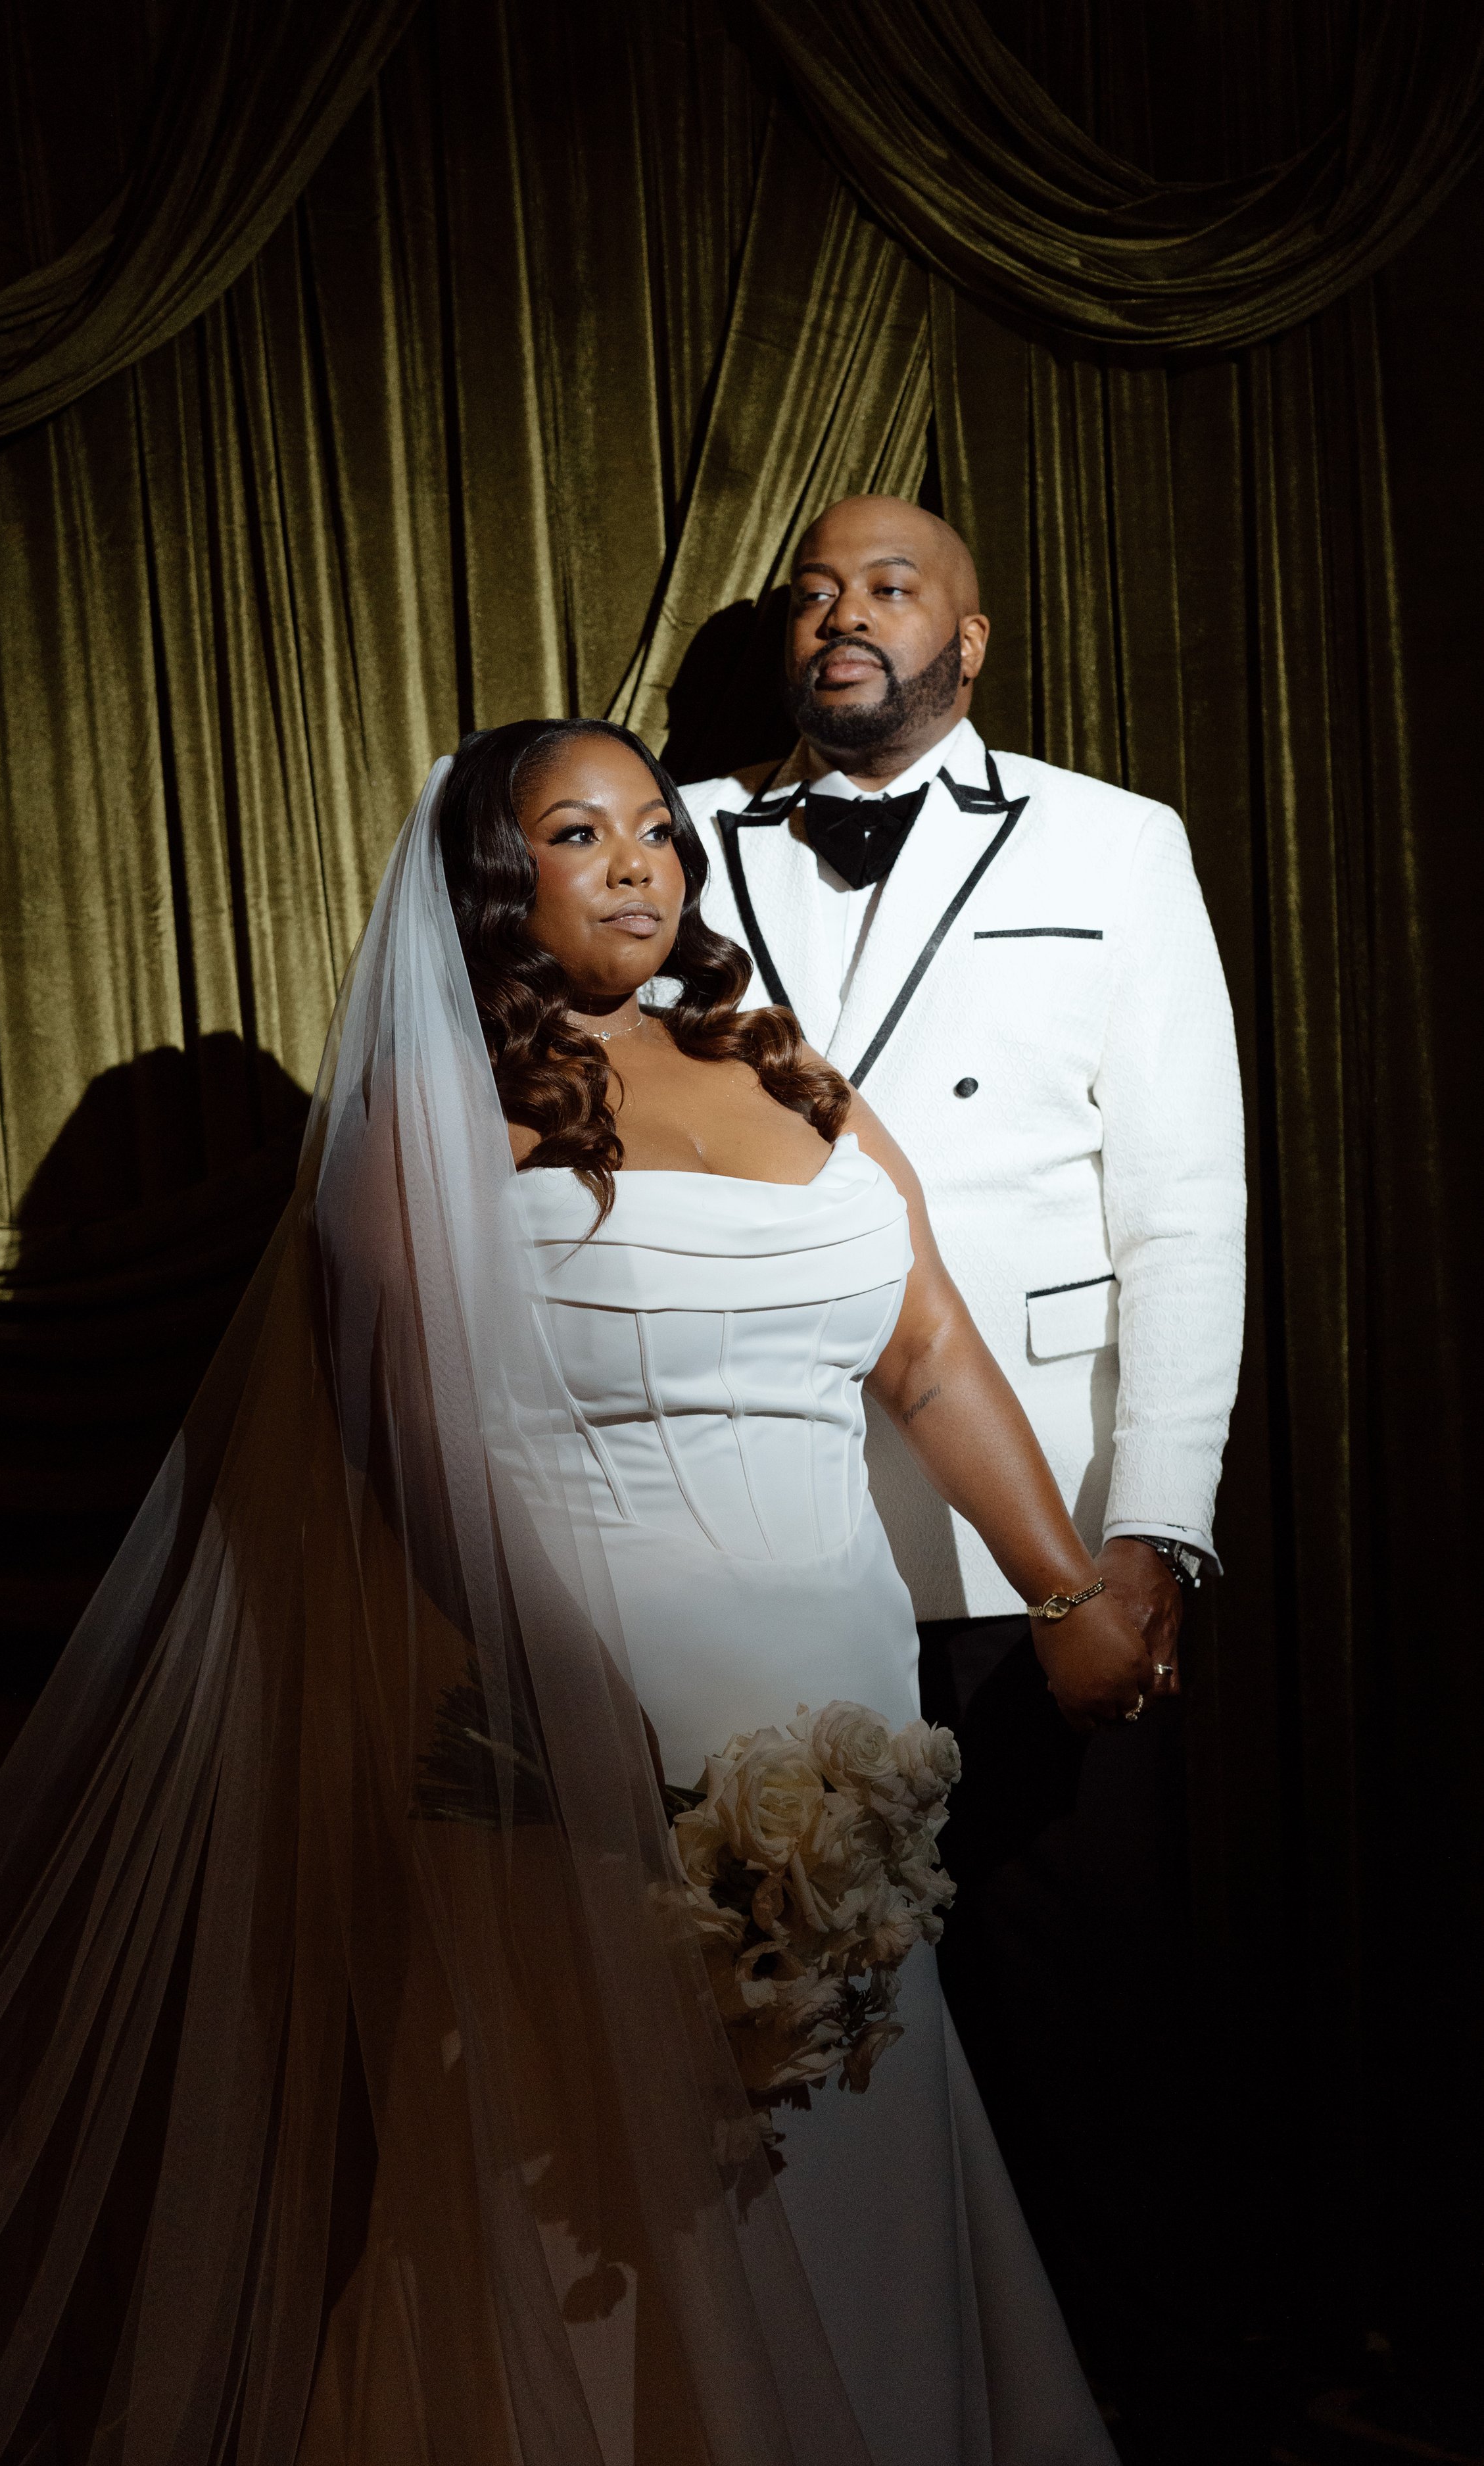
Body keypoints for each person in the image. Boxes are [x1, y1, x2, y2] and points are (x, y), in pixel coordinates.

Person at [0, 719, 1130, 2466]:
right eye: (577, 832)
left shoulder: (782, 1072)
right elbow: (408, 1444)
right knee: (601, 2197)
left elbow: (922, 1343)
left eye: (655, 827)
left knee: (852, 2128)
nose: (637, 859)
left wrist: (1066, 1589)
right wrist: (591, 1717)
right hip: (571, 1740)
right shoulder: (427, 1127)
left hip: (847, 1720)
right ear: (491, 885)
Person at [677, 496, 1246, 2394]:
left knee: (1077, 2045)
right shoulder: (668, 843)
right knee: (807, 2062)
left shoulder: (1115, 841)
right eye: (816, 593)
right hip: (760, 1535)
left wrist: (1146, 1532)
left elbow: (1185, 1210)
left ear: (970, 641)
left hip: (1036, 1550)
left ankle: (1138, 2422)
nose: (844, 616)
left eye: (890, 587)